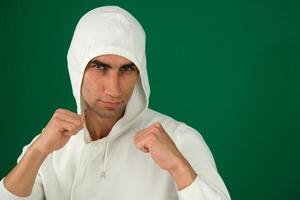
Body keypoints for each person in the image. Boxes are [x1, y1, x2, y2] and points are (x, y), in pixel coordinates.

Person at [0, 6, 231, 200]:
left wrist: (178, 167)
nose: (113, 88)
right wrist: (37, 151)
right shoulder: (52, 144)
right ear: (77, 67)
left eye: (127, 69)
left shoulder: (179, 139)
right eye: (100, 67)